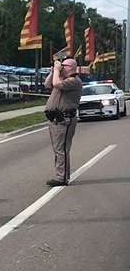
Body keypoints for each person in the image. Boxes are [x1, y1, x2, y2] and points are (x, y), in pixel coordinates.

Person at [43, 54, 82, 186]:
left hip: (65, 120)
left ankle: (62, 177)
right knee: (58, 149)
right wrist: (53, 71)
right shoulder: (61, 78)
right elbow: (48, 84)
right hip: (55, 119)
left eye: (63, 66)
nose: (61, 67)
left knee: (61, 149)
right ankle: (62, 175)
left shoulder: (74, 81)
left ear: (70, 67)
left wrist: (57, 71)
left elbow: (56, 84)